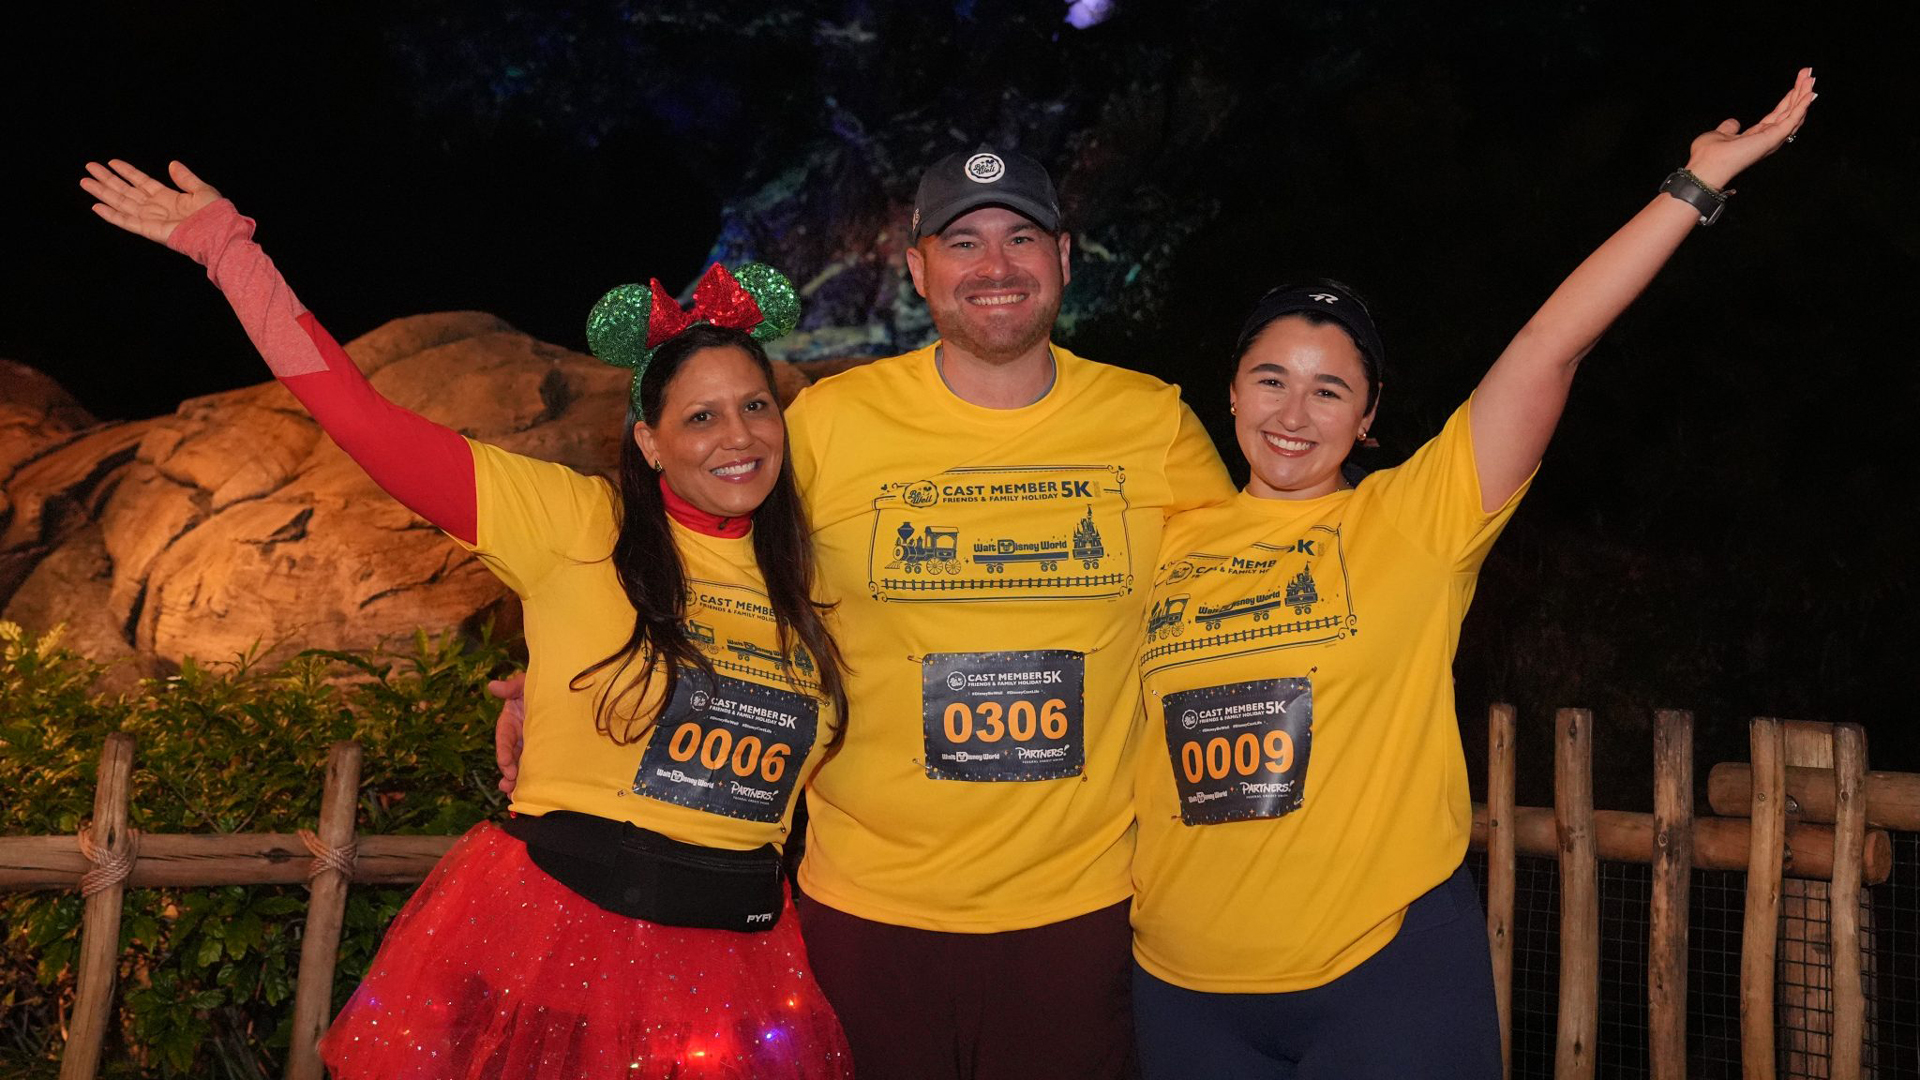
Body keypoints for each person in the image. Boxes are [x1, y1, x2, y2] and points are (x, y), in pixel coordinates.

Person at [81, 159, 854, 1079]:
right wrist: (228, 252)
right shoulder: (575, 523)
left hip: (738, 968)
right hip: (565, 944)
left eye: (755, 406)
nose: (738, 436)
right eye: (701, 417)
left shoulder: (813, 581)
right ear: (648, 442)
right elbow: (361, 419)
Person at [1126, 70, 1817, 1079]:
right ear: (1231, 391)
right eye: (1271, 379)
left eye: (1331, 391)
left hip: (1379, 977)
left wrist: (1692, 187)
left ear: (1368, 420)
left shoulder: (1414, 519)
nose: (1293, 412)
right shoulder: (1159, 534)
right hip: (1182, 992)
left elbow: (1549, 349)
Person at [496, 143, 1237, 1076]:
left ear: (1064, 255)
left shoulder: (1155, 422)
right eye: (963, 242)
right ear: (918, 267)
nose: (996, 266)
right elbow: (714, 578)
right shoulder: (828, 425)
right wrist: (562, 687)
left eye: (1022, 237)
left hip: (1081, 915)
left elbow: (1226, 617)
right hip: (862, 916)